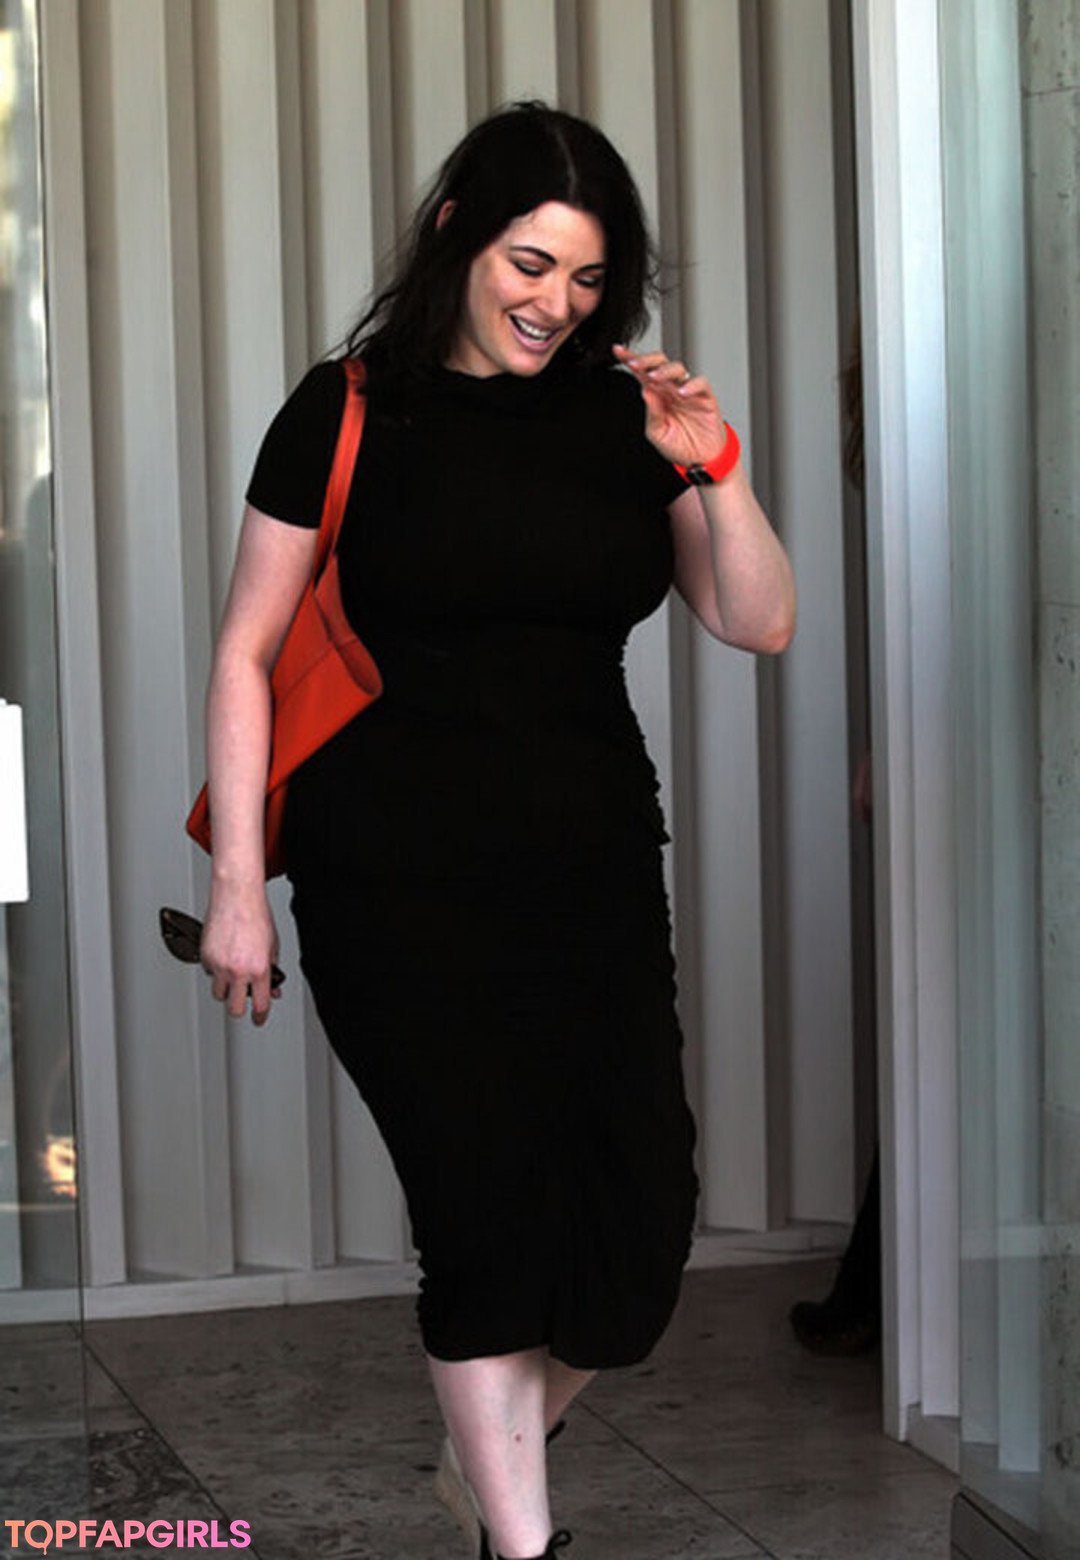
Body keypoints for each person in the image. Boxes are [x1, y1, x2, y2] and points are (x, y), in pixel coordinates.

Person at [198, 101, 795, 1560]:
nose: (556, 303)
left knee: (639, 1234)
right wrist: (238, 892)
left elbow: (759, 621)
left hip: (591, 876)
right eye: (532, 265)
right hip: (391, 885)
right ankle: (521, 1542)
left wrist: (715, 465)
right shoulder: (348, 407)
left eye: (587, 279)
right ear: (457, 234)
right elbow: (246, 654)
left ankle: (488, 1460)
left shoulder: (624, 417)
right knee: (481, 1220)